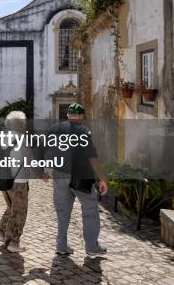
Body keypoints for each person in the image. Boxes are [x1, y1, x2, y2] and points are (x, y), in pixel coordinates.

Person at [46, 103, 108, 256]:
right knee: (90, 210)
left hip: (59, 174)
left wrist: (42, 170)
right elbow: (92, 156)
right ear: (81, 116)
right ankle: (91, 247)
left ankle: (61, 246)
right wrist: (102, 178)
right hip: (81, 177)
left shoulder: (55, 128)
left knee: (62, 211)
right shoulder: (83, 130)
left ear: (68, 115)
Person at [0, 111, 30, 253]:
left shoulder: (2, 137)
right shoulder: (22, 138)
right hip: (19, 180)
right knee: (19, 211)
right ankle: (13, 242)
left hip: (6, 179)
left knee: (11, 207)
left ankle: (2, 232)